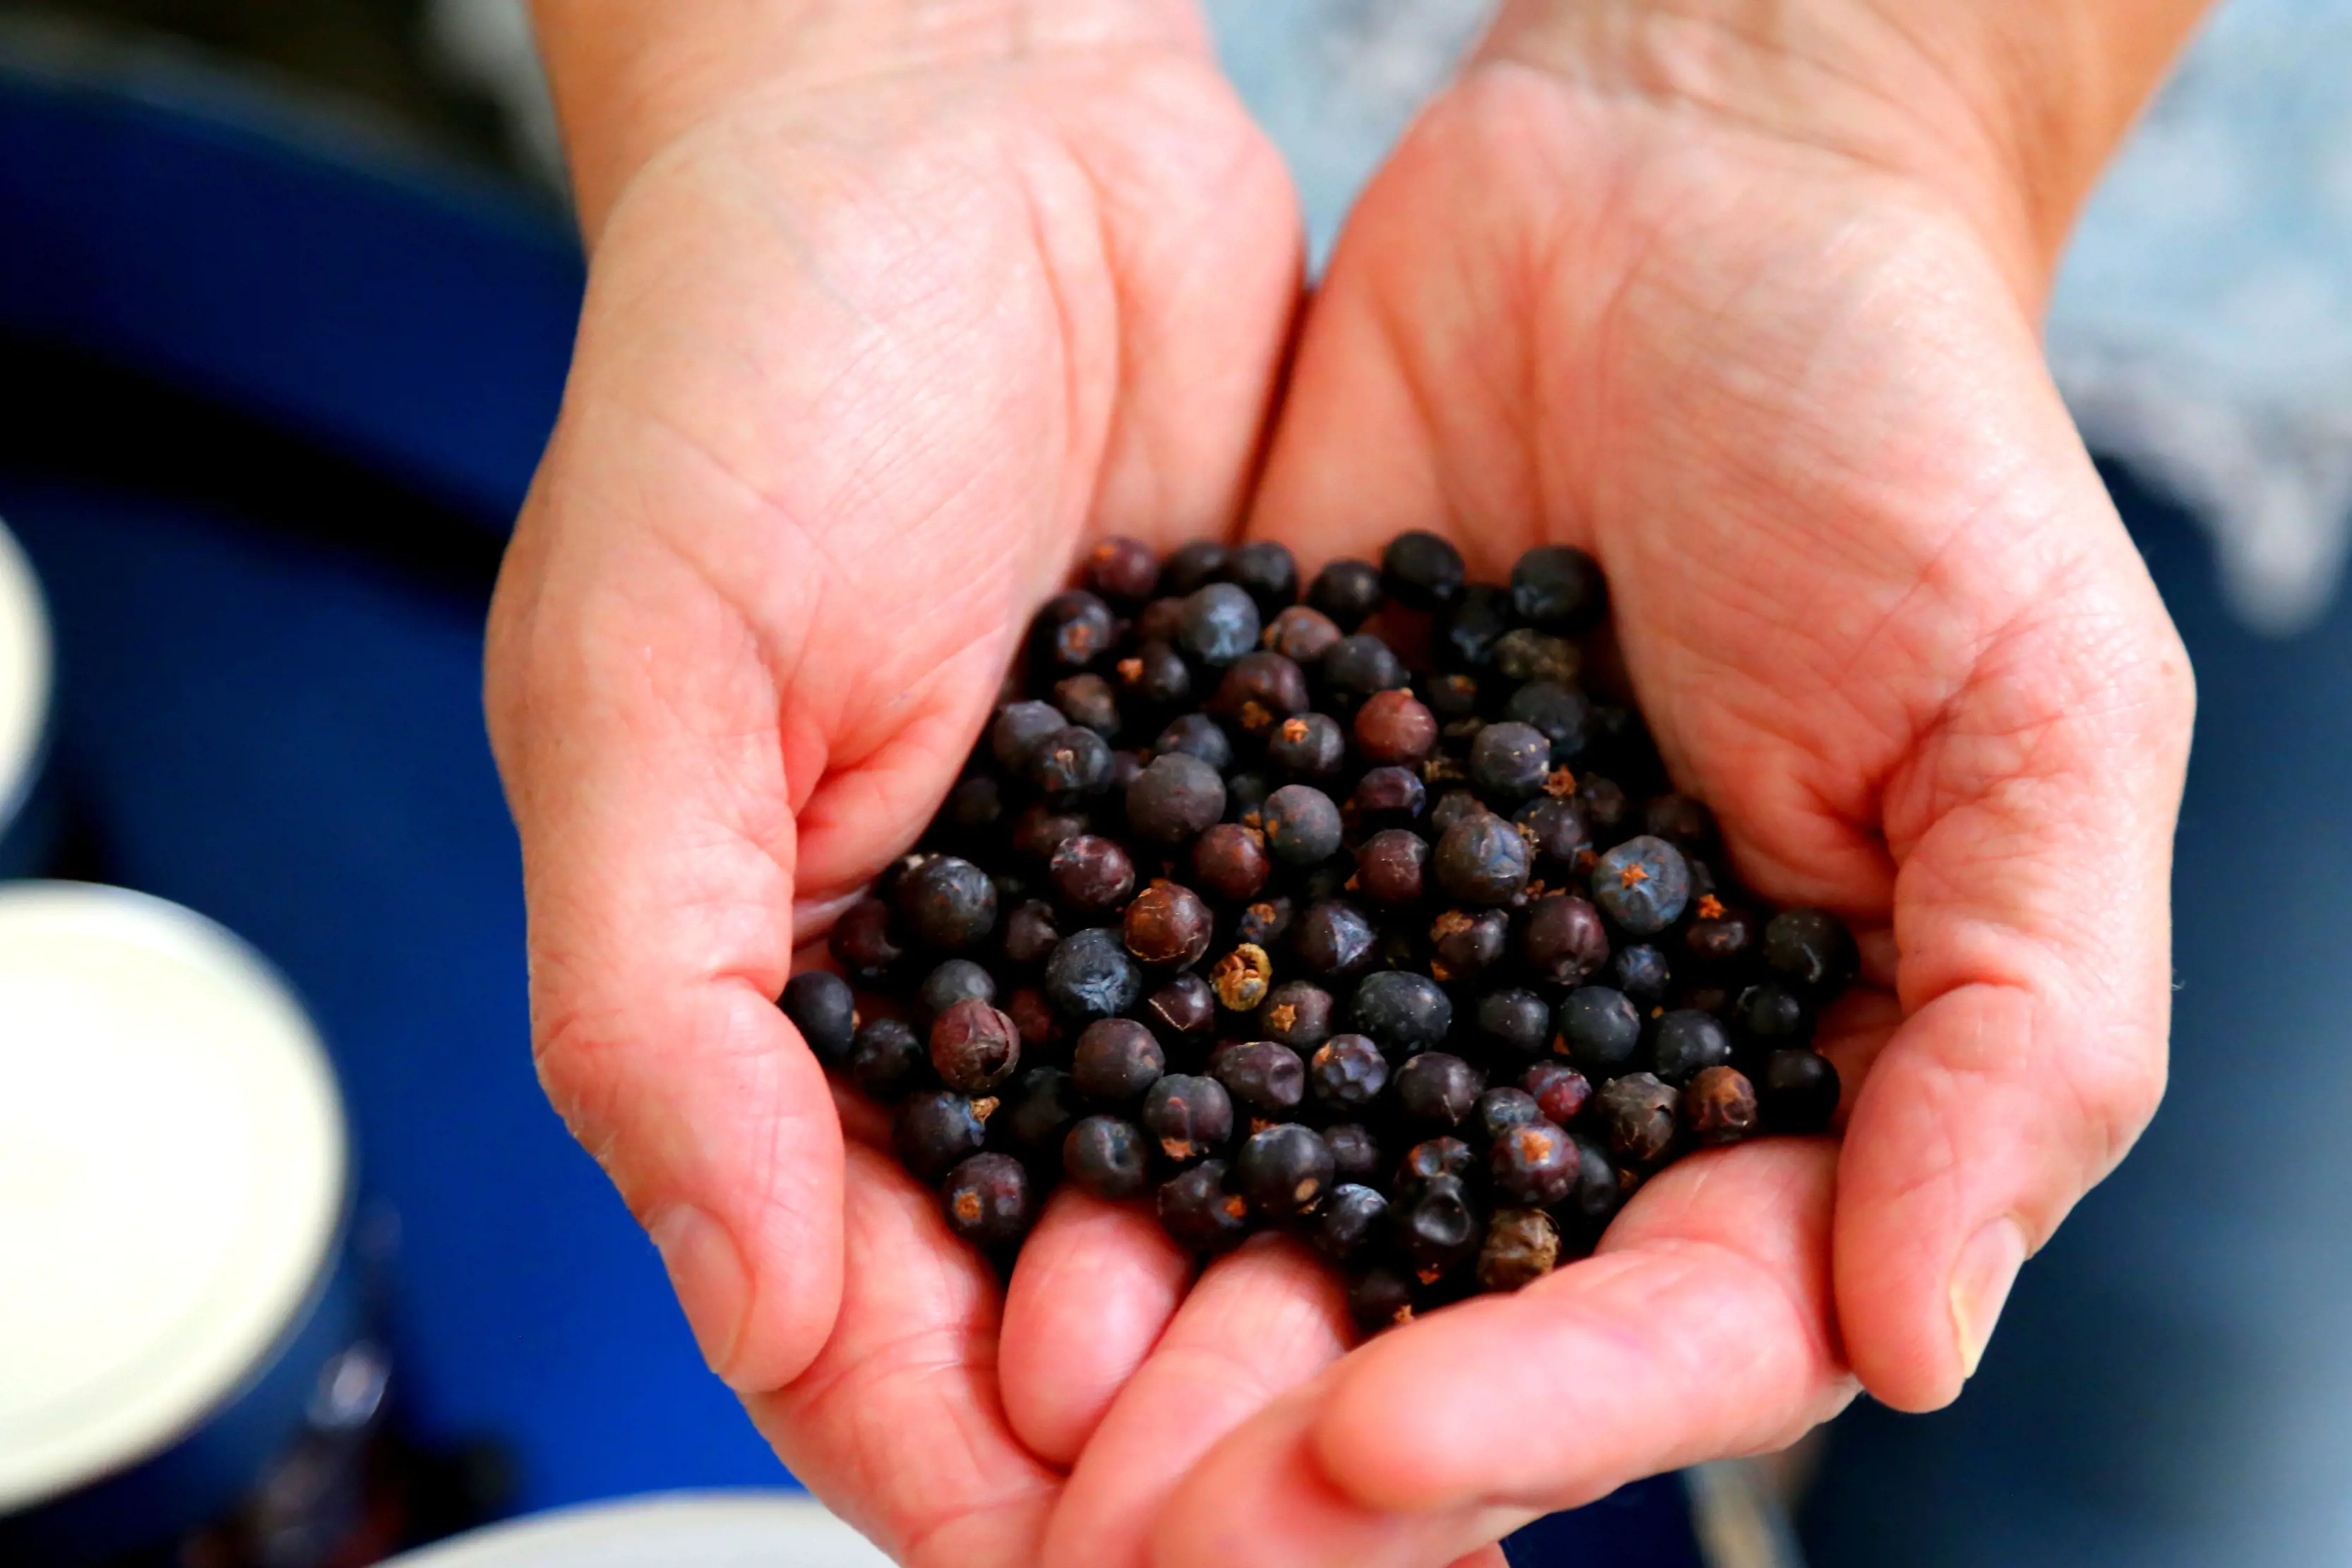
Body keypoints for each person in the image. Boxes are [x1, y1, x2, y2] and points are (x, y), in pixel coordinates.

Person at [481, 2, 2204, 1563]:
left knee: (2156, 1425)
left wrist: (1843, 82)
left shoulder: (1431, 909)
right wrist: (878, 60)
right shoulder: (1221, 905)